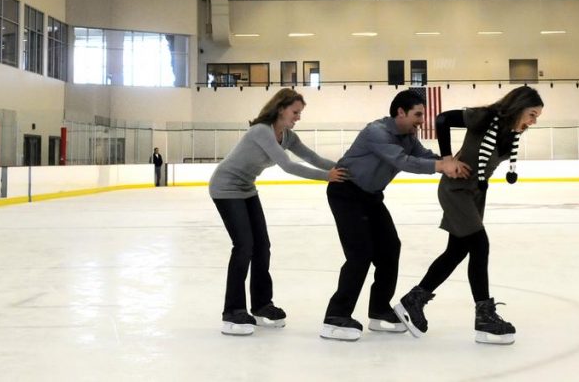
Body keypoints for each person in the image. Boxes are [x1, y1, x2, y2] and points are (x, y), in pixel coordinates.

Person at [394, 86, 544, 345]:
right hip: (456, 190)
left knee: (456, 251)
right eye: (531, 114)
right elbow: (443, 119)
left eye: (536, 117)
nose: (533, 121)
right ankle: (484, 317)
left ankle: (412, 301)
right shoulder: (484, 117)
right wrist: (448, 158)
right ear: (518, 107)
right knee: (480, 246)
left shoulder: (510, 132)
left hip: (475, 194)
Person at [320, 89, 469, 342]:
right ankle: (335, 317)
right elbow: (403, 161)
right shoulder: (376, 132)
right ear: (400, 112)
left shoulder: (408, 135)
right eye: (418, 114)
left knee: (390, 249)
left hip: (371, 197)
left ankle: (379, 310)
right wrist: (440, 166)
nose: (422, 120)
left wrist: (449, 164)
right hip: (346, 193)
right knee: (360, 254)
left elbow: (422, 156)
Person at [210, 88, 347, 336]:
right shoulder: (261, 131)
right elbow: (288, 166)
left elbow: (312, 157)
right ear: (281, 109)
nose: (298, 117)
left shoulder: (287, 136)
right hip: (225, 187)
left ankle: (262, 305)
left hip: (246, 188)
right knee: (244, 246)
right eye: (295, 112)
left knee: (262, 246)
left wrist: (343, 168)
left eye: (300, 113)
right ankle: (233, 311)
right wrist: (327, 177)